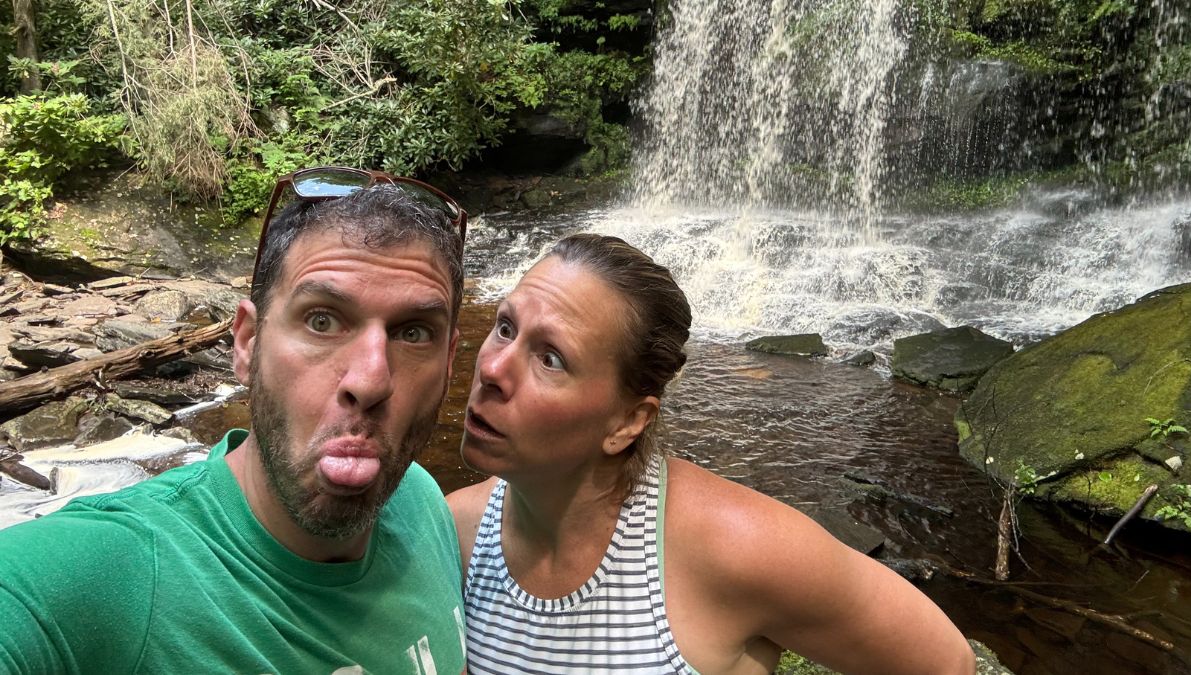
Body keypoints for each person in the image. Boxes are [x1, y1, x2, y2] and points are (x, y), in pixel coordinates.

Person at [0, 167, 470, 673]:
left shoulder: (418, 499)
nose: (371, 380)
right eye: (322, 320)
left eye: (415, 333)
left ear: (448, 365)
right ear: (247, 344)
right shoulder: (108, 572)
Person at [448, 233, 976, 674]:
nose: (492, 369)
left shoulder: (742, 550)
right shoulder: (454, 532)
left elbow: (946, 663)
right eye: (505, 327)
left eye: (552, 358)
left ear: (628, 421)